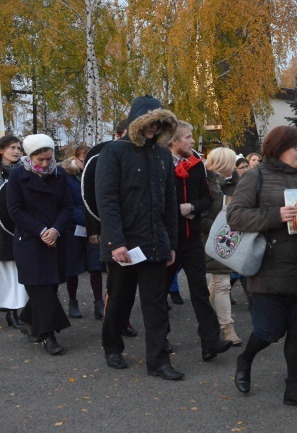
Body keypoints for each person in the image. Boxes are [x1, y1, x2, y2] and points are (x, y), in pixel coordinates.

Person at [228, 125, 297, 410]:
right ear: (279, 146)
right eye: (296, 145)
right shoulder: (255, 177)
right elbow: (236, 216)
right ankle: (245, 359)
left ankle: (292, 391)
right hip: (268, 269)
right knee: (269, 332)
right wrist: (276, 215)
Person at [96, 95, 183, 380]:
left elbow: (170, 200)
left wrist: (171, 241)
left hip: (156, 242)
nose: (153, 128)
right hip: (125, 243)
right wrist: (115, 242)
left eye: (159, 123)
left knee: (156, 303)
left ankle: (158, 361)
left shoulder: (161, 154)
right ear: (138, 121)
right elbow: (106, 200)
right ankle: (112, 347)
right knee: (119, 298)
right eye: (149, 122)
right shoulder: (114, 151)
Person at [165, 121, 234, 358]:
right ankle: (160, 341)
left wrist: (192, 206)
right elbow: (153, 204)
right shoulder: (160, 164)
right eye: (188, 137)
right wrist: (178, 209)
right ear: (173, 141)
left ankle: (210, 342)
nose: (193, 141)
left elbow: (206, 199)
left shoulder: (196, 166)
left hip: (192, 240)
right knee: (158, 293)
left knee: (200, 292)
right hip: (168, 241)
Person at [7, 134, 72, 354]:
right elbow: (15, 211)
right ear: (30, 155)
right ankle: (48, 335)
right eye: (40, 159)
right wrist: (42, 231)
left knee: (49, 287)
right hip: (30, 240)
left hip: (56, 239)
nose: (45, 163)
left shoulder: (60, 173)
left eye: (48, 158)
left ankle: (27, 320)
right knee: (41, 290)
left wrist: (55, 229)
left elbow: (66, 206)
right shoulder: (17, 175)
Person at [82, 119, 139, 337]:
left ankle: (123, 320)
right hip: (109, 229)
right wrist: (93, 228)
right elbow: (90, 194)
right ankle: (113, 323)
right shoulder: (100, 154)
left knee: (129, 284)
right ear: (118, 134)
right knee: (115, 284)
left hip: (132, 230)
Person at [201, 146, 242, 345]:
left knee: (217, 283)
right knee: (223, 284)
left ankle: (208, 321)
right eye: (231, 162)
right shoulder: (206, 183)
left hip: (230, 239)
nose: (234, 166)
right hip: (211, 239)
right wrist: (218, 229)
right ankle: (227, 329)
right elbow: (201, 216)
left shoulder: (236, 184)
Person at [62, 146, 104, 320]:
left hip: (93, 229)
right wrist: (87, 222)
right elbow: (68, 205)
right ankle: (73, 301)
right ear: (75, 159)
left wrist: (94, 225)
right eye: (82, 160)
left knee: (95, 266)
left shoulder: (95, 176)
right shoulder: (67, 178)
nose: (85, 163)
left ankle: (98, 303)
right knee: (73, 268)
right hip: (73, 229)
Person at [0, 135, 27, 330]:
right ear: (2, 150)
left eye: (19, 148)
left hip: (15, 227)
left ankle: (14, 310)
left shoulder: (23, 172)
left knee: (14, 270)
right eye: (12, 147)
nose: (17, 151)